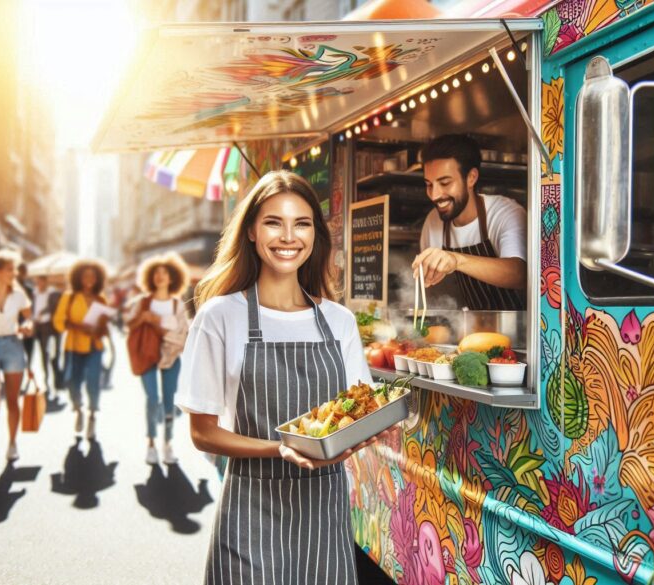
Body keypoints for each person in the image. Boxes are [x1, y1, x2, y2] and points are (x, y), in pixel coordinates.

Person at [175, 171, 388, 584]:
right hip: (250, 509)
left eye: (302, 224)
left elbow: (360, 407)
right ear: (252, 231)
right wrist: (280, 449)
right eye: (274, 222)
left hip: (323, 509)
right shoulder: (219, 317)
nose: (288, 236)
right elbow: (202, 433)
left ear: (315, 235)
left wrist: (364, 434)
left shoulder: (338, 321)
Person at [414, 134, 528, 310]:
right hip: (472, 331)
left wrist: (456, 260)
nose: (435, 195)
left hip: (520, 330)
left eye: (445, 183)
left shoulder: (504, 213)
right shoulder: (433, 222)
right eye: (429, 184)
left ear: (471, 178)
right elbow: (432, 293)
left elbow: (519, 273)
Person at [126, 253, 191, 465]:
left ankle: (168, 443)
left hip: (171, 359)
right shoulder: (142, 302)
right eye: (156, 273)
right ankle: (151, 443)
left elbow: (182, 336)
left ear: (172, 278)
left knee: (170, 403)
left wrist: (155, 323)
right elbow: (130, 326)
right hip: (147, 356)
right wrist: (141, 319)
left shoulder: (177, 305)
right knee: (153, 400)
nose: (160, 276)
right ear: (150, 277)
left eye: (165, 273)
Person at [0, 251, 33, 475]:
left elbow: (29, 317)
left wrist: (28, 325)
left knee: (12, 400)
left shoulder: (19, 295)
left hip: (13, 345)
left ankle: (12, 443)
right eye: (10, 269)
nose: (14, 273)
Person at [53, 259, 110, 440]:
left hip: (95, 347)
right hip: (73, 347)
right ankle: (78, 409)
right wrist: (79, 327)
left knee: (93, 382)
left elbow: (104, 324)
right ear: (78, 277)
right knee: (72, 382)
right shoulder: (69, 297)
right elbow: (58, 322)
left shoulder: (101, 299)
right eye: (85, 275)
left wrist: (99, 328)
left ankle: (92, 414)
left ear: (98, 278)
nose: (89, 279)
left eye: (93, 276)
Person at [30, 274, 61, 392]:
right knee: (43, 353)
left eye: (41, 281)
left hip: (50, 326)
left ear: (45, 281)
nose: (39, 284)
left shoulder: (53, 293)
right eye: (37, 281)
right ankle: (46, 378)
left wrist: (43, 312)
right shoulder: (34, 293)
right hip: (37, 326)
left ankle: (55, 380)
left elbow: (54, 307)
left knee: (53, 353)